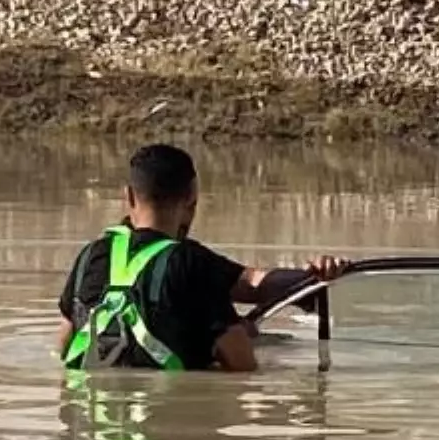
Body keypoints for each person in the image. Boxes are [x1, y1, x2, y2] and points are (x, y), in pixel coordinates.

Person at [57, 143, 348, 372]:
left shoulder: (89, 257)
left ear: (129, 197)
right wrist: (242, 335)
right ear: (192, 198)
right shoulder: (191, 263)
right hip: (169, 431)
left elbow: (64, 348)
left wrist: (311, 281)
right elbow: (243, 366)